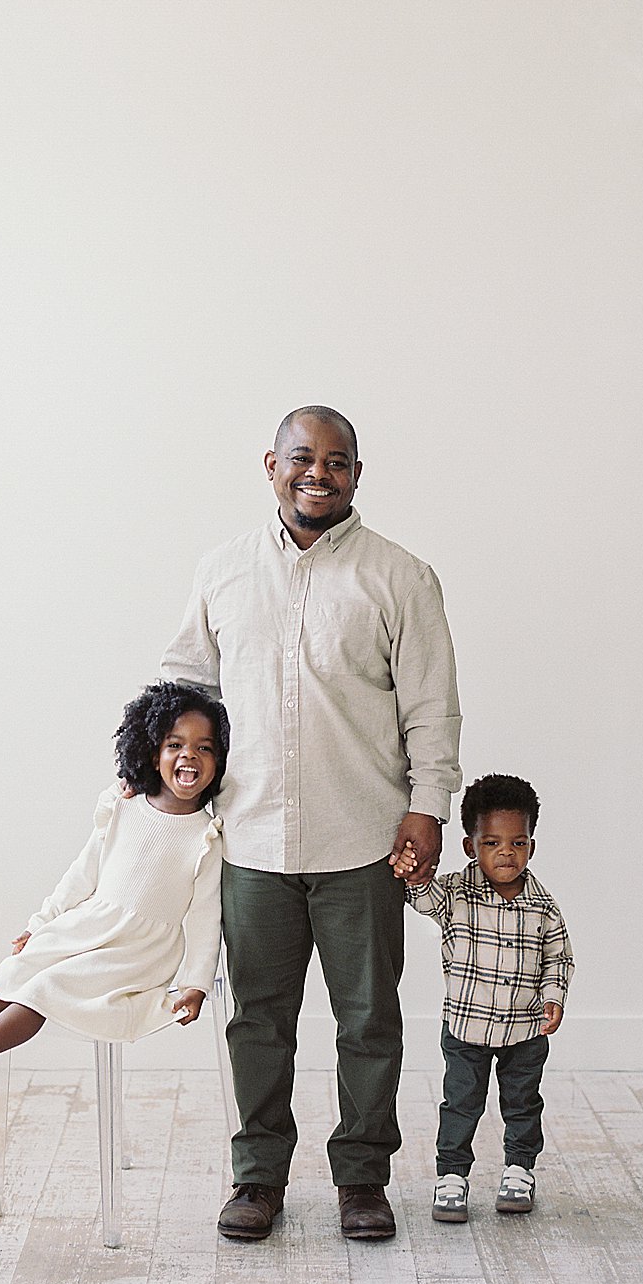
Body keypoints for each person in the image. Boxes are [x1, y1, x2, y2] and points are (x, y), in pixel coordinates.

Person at [160, 405, 462, 1241]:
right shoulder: (221, 571)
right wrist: (159, 790)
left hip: (363, 840)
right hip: (250, 842)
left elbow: (432, 710)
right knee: (257, 1020)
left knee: (368, 1019)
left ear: (357, 473)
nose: (317, 473)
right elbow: (183, 688)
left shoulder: (400, 577)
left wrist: (427, 806)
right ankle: (256, 1178)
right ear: (270, 464)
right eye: (301, 458)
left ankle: (362, 1178)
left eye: (336, 461)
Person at [0, 681, 229, 1095]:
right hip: (90, 926)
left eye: (204, 748)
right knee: (16, 970)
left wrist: (195, 983)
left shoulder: (205, 837)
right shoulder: (123, 806)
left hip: (136, 953)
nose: (189, 754)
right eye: (175, 745)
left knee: (48, 986)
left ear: (219, 761)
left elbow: (207, 916)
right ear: (153, 753)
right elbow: (82, 874)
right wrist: (41, 923)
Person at [397, 772, 573, 1222]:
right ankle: (451, 1177)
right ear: (470, 846)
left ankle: (519, 1170)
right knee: (461, 1103)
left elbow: (558, 958)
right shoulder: (456, 892)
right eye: (492, 843)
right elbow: (420, 897)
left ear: (531, 846)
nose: (506, 854)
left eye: (518, 843)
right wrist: (413, 868)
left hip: (525, 1029)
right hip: (466, 1028)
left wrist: (552, 998)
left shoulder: (543, 906)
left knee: (523, 1103)